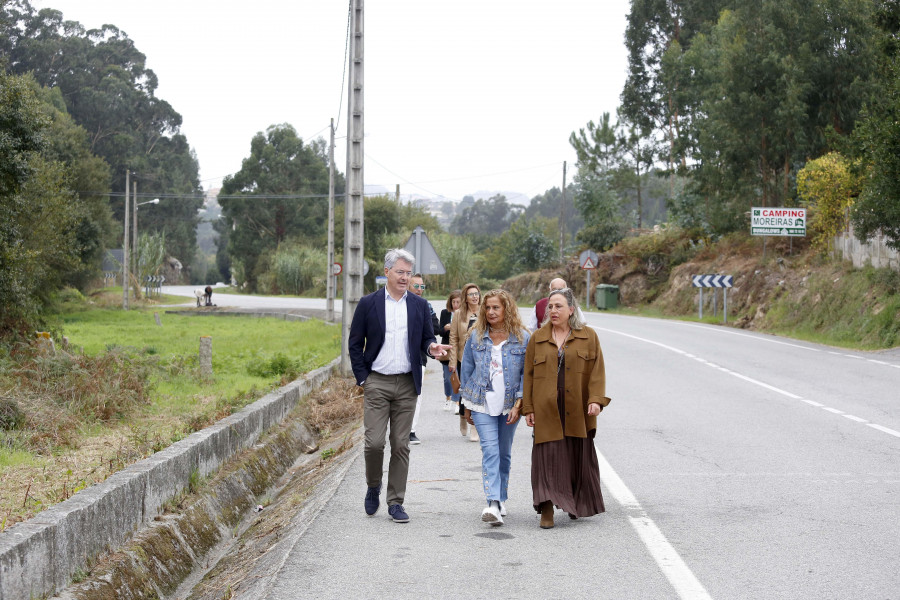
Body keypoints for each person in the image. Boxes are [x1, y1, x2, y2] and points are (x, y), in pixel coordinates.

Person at [348, 249, 450, 523]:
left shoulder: (418, 305)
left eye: (409, 273)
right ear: (387, 272)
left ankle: (395, 501)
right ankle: (373, 486)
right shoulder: (369, 304)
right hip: (377, 382)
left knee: (400, 444)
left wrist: (432, 347)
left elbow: (426, 339)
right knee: (374, 443)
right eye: (400, 272)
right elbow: (355, 344)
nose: (405, 278)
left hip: (407, 383)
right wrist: (363, 378)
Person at [522, 287, 610, 529]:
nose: (553, 310)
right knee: (547, 457)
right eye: (550, 306)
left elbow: (597, 372)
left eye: (558, 306)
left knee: (575, 454)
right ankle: (547, 508)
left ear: (571, 310)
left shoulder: (588, 336)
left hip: (577, 406)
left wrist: (595, 400)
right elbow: (528, 376)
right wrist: (528, 407)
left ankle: (575, 503)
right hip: (546, 406)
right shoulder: (537, 338)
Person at [459, 289, 529, 526]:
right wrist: (465, 406)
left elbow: (525, 375)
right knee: (489, 450)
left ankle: (501, 498)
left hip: (510, 405)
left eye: (495, 307)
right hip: (481, 403)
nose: (490, 312)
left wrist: (519, 404)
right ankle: (492, 503)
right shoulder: (476, 337)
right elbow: (466, 371)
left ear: (506, 309)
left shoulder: (522, 338)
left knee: (503, 453)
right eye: (487, 308)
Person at [408, 274, 439, 445]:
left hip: (418, 357)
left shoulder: (426, 305)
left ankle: (411, 431)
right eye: (416, 286)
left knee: (416, 395)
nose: (419, 290)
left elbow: (434, 327)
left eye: (422, 287)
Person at [448, 282, 481, 442]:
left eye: (476, 293)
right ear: (465, 298)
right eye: (471, 294)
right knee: (465, 392)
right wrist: (452, 361)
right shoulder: (459, 314)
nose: (475, 296)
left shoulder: (485, 312)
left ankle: (475, 426)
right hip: (463, 359)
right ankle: (463, 415)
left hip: (482, 359)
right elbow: (453, 338)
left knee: (478, 392)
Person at [438, 290, 462, 413]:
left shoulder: (465, 314)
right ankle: (448, 397)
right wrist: (445, 328)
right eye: (453, 302)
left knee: (458, 375)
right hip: (447, 348)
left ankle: (457, 402)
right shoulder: (445, 313)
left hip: (459, 349)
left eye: (458, 302)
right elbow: (439, 331)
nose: (456, 304)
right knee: (448, 377)